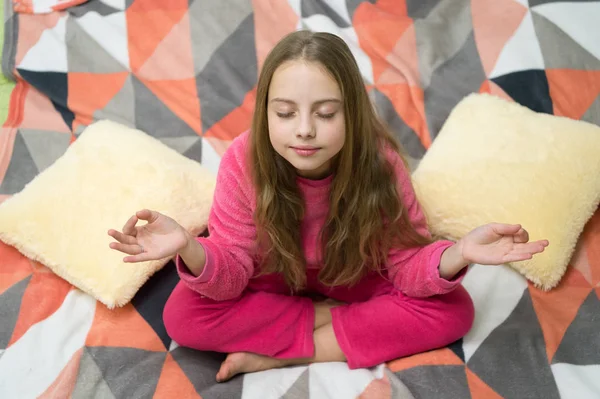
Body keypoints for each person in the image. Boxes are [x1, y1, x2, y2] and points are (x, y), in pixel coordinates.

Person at [108, 31, 548, 383]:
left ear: (351, 113)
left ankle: (282, 356)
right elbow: (231, 273)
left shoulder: (380, 164)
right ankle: (330, 320)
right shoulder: (242, 162)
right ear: (265, 113)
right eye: (285, 113)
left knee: (454, 310)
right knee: (182, 316)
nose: (304, 131)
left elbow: (406, 266)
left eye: (325, 113)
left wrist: (459, 253)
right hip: (271, 279)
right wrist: (190, 246)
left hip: (356, 276)